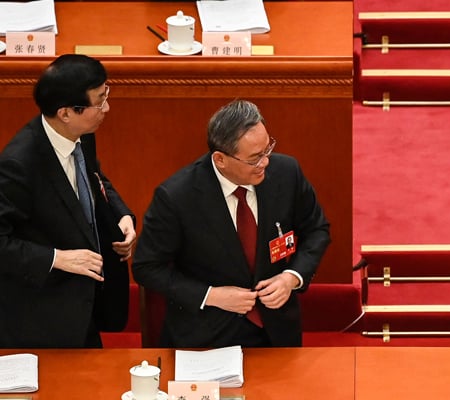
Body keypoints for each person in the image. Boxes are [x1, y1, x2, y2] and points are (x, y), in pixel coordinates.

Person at [132, 99, 330, 348]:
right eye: (254, 158)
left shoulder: (287, 173)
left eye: (267, 150)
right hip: (207, 336)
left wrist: (291, 277)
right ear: (220, 159)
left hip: (277, 331)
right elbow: (146, 267)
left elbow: (317, 229)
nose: (265, 162)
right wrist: (212, 296)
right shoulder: (176, 197)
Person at [0, 54, 136, 348]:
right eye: (99, 101)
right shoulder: (19, 165)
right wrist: (57, 258)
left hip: (87, 303)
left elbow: (95, 178)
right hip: (44, 315)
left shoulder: (80, 132)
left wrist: (121, 214)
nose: (106, 108)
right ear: (66, 113)